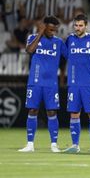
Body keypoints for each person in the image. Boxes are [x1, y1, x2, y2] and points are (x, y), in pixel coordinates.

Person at [18, 16, 67, 153]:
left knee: (52, 112)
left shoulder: (59, 42)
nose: (53, 33)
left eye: (55, 30)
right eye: (50, 29)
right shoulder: (33, 38)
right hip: (35, 82)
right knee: (33, 110)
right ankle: (30, 144)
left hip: (51, 84)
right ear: (44, 27)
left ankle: (54, 144)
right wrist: (40, 33)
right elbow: (29, 50)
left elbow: (70, 57)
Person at [63, 14, 90, 153]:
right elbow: (64, 55)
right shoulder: (70, 39)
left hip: (89, 84)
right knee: (74, 114)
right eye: (76, 25)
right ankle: (75, 145)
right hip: (74, 83)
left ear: (86, 26)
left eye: (81, 25)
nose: (78, 28)